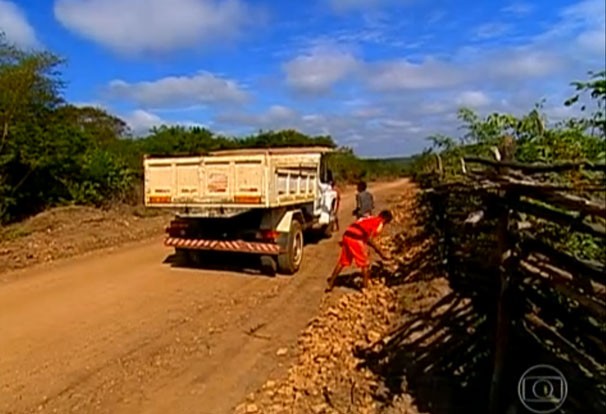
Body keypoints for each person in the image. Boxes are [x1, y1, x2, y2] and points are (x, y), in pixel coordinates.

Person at [326, 210, 393, 292]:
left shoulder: (369, 218)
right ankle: (365, 288)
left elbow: (364, 234)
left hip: (347, 234)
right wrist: (381, 253)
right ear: (385, 220)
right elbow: (370, 239)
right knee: (365, 264)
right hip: (355, 238)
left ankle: (331, 283)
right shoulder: (378, 222)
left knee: (342, 261)